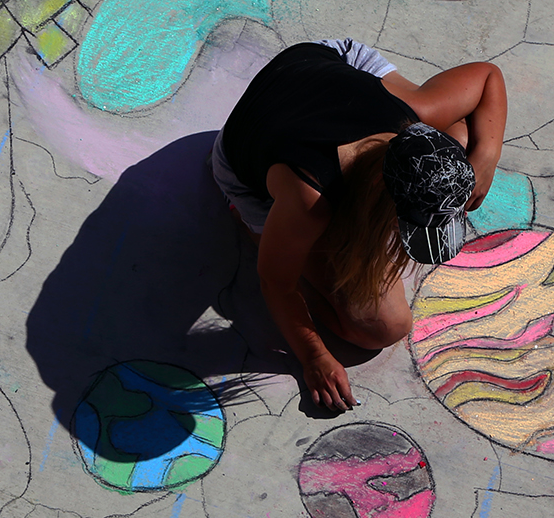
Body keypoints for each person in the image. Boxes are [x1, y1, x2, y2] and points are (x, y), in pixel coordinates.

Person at [213, 40, 507, 412]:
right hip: (245, 153)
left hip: (319, 68)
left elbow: (488, 75)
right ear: (381, 201)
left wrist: (485, 156)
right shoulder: (311, 200)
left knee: (463, 138)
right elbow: (275, 283)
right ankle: (255, 228)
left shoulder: (415, 113)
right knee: (382, 326)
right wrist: (314, 356)